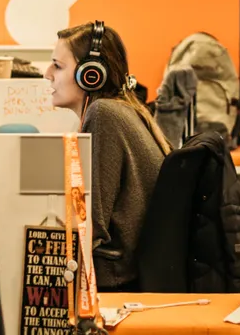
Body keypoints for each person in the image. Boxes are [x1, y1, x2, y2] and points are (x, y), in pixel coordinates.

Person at [45, 21, 172, 291]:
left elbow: (91, 223)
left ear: (90, 75)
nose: (47, 74)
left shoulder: (104, 115)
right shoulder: (125, 110)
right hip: (126, 277)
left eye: (58, 65)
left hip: (114, 284)